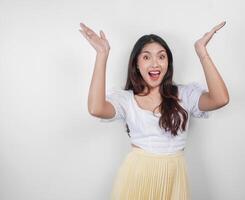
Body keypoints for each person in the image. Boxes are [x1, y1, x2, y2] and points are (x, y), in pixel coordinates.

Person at [79, 21, 229, 200]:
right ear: (136, 64)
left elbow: (221, 99)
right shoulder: (126, 100)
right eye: (146, 57)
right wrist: (102, 54)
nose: (155, 64)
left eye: (161, 56)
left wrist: (202, 52)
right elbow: (96, 108)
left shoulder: (185, 95)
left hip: (174, 179)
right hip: (137, 178)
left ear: (168, 63)